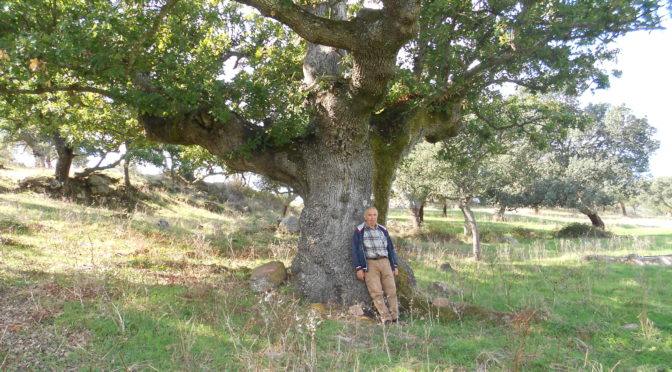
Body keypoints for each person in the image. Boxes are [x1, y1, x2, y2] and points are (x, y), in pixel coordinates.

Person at [351, 206, 401, 325]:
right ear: (365, 217)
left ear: (377, 216)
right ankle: (386, 318)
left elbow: (390, 248)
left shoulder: (383, 230)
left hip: (385, 262)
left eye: (374, 215)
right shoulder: (359, 230)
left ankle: (395, 317)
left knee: (391, 290)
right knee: (376, 292)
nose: (372, 217)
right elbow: (355, 250)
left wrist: (394, 266)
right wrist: (359, 268)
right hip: (370, 263)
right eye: (369, 215)